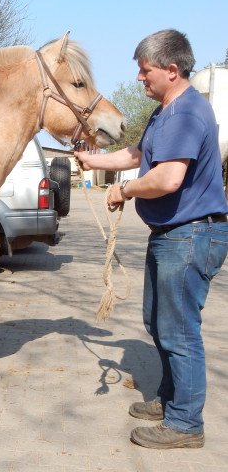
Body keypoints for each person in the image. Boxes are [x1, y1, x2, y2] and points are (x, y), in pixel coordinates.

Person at [75, 29, 228, 449]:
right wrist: (93, 159)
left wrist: (123, 190)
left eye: (145, 72)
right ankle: (170, 399)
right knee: (157, 321)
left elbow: (167, 177)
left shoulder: (185, 114)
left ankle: (185, 425)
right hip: (173, 234)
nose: (140, 79)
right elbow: (138, 156)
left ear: (172, 70)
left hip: (192, 233)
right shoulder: (165, 112)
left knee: (178, 331)